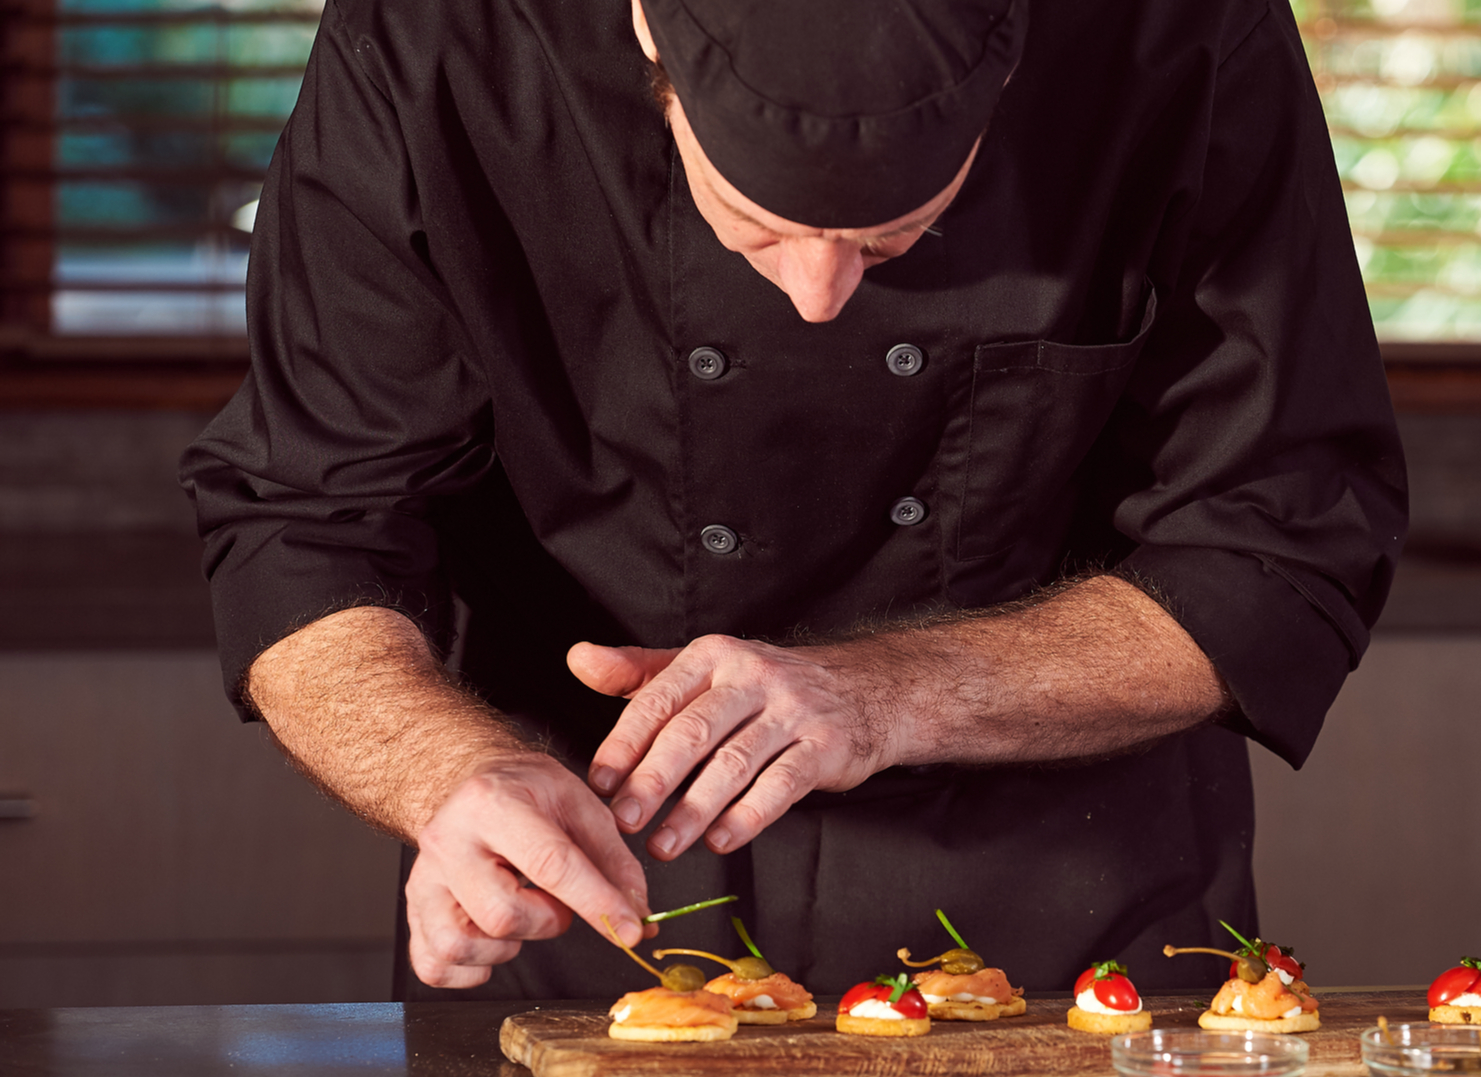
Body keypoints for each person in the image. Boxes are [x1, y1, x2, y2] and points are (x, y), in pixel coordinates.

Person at [179, 0, 1406, 998]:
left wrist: (884, 696)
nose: (820, 294)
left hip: (1068, 921)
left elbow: (1276, 547)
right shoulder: (439, 38)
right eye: (761, 229)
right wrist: (442, 775)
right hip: (588, 887)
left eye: (893, 241)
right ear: (650, 33)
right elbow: (304, 521)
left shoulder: (1178, 36)